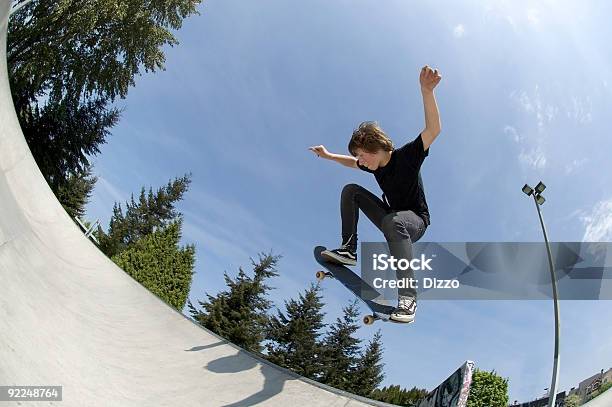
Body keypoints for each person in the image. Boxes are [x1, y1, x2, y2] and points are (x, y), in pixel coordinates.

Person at [308, 65, 442, 323]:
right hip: (391, 218)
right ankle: (348, 250)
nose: (360, 161)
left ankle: (409, 298)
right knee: (351, 191)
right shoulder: (372, 165)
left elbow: (433, 130)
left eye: (361, 155)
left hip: (415, 222)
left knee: (394, 221)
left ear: (374, 147)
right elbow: (349, 162)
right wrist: (327, 156)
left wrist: (426, 91)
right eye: (358, 157)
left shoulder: (407, 157)